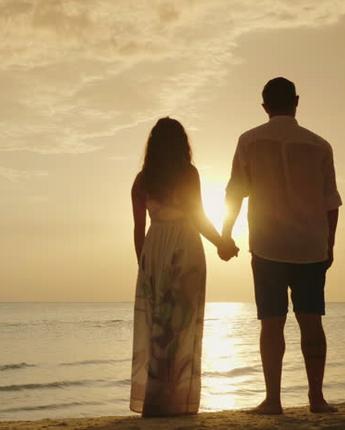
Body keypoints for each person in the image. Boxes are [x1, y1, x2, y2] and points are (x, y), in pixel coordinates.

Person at [221, 77, 342, 414]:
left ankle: (273, 399)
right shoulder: (320, 145)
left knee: (271, 324)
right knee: (311, 321)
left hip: (268, 245)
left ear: (264, 106)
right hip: (309, 244)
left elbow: (235, 192)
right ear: (297, 101)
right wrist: (329, 244)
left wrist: (226, 234)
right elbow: (331, 202)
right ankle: (316, 398)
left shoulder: (249, 141)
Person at [130, 117, 239, 417]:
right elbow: (198, 217)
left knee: (158, 328)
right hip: (185, 247)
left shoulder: (143, 180)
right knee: (181, 325)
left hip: (156, 248)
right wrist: (221, 244)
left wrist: (144, 264)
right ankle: (177, 400)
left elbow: (139, 229)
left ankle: (156, 401)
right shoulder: (188, 174)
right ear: (182, 145)